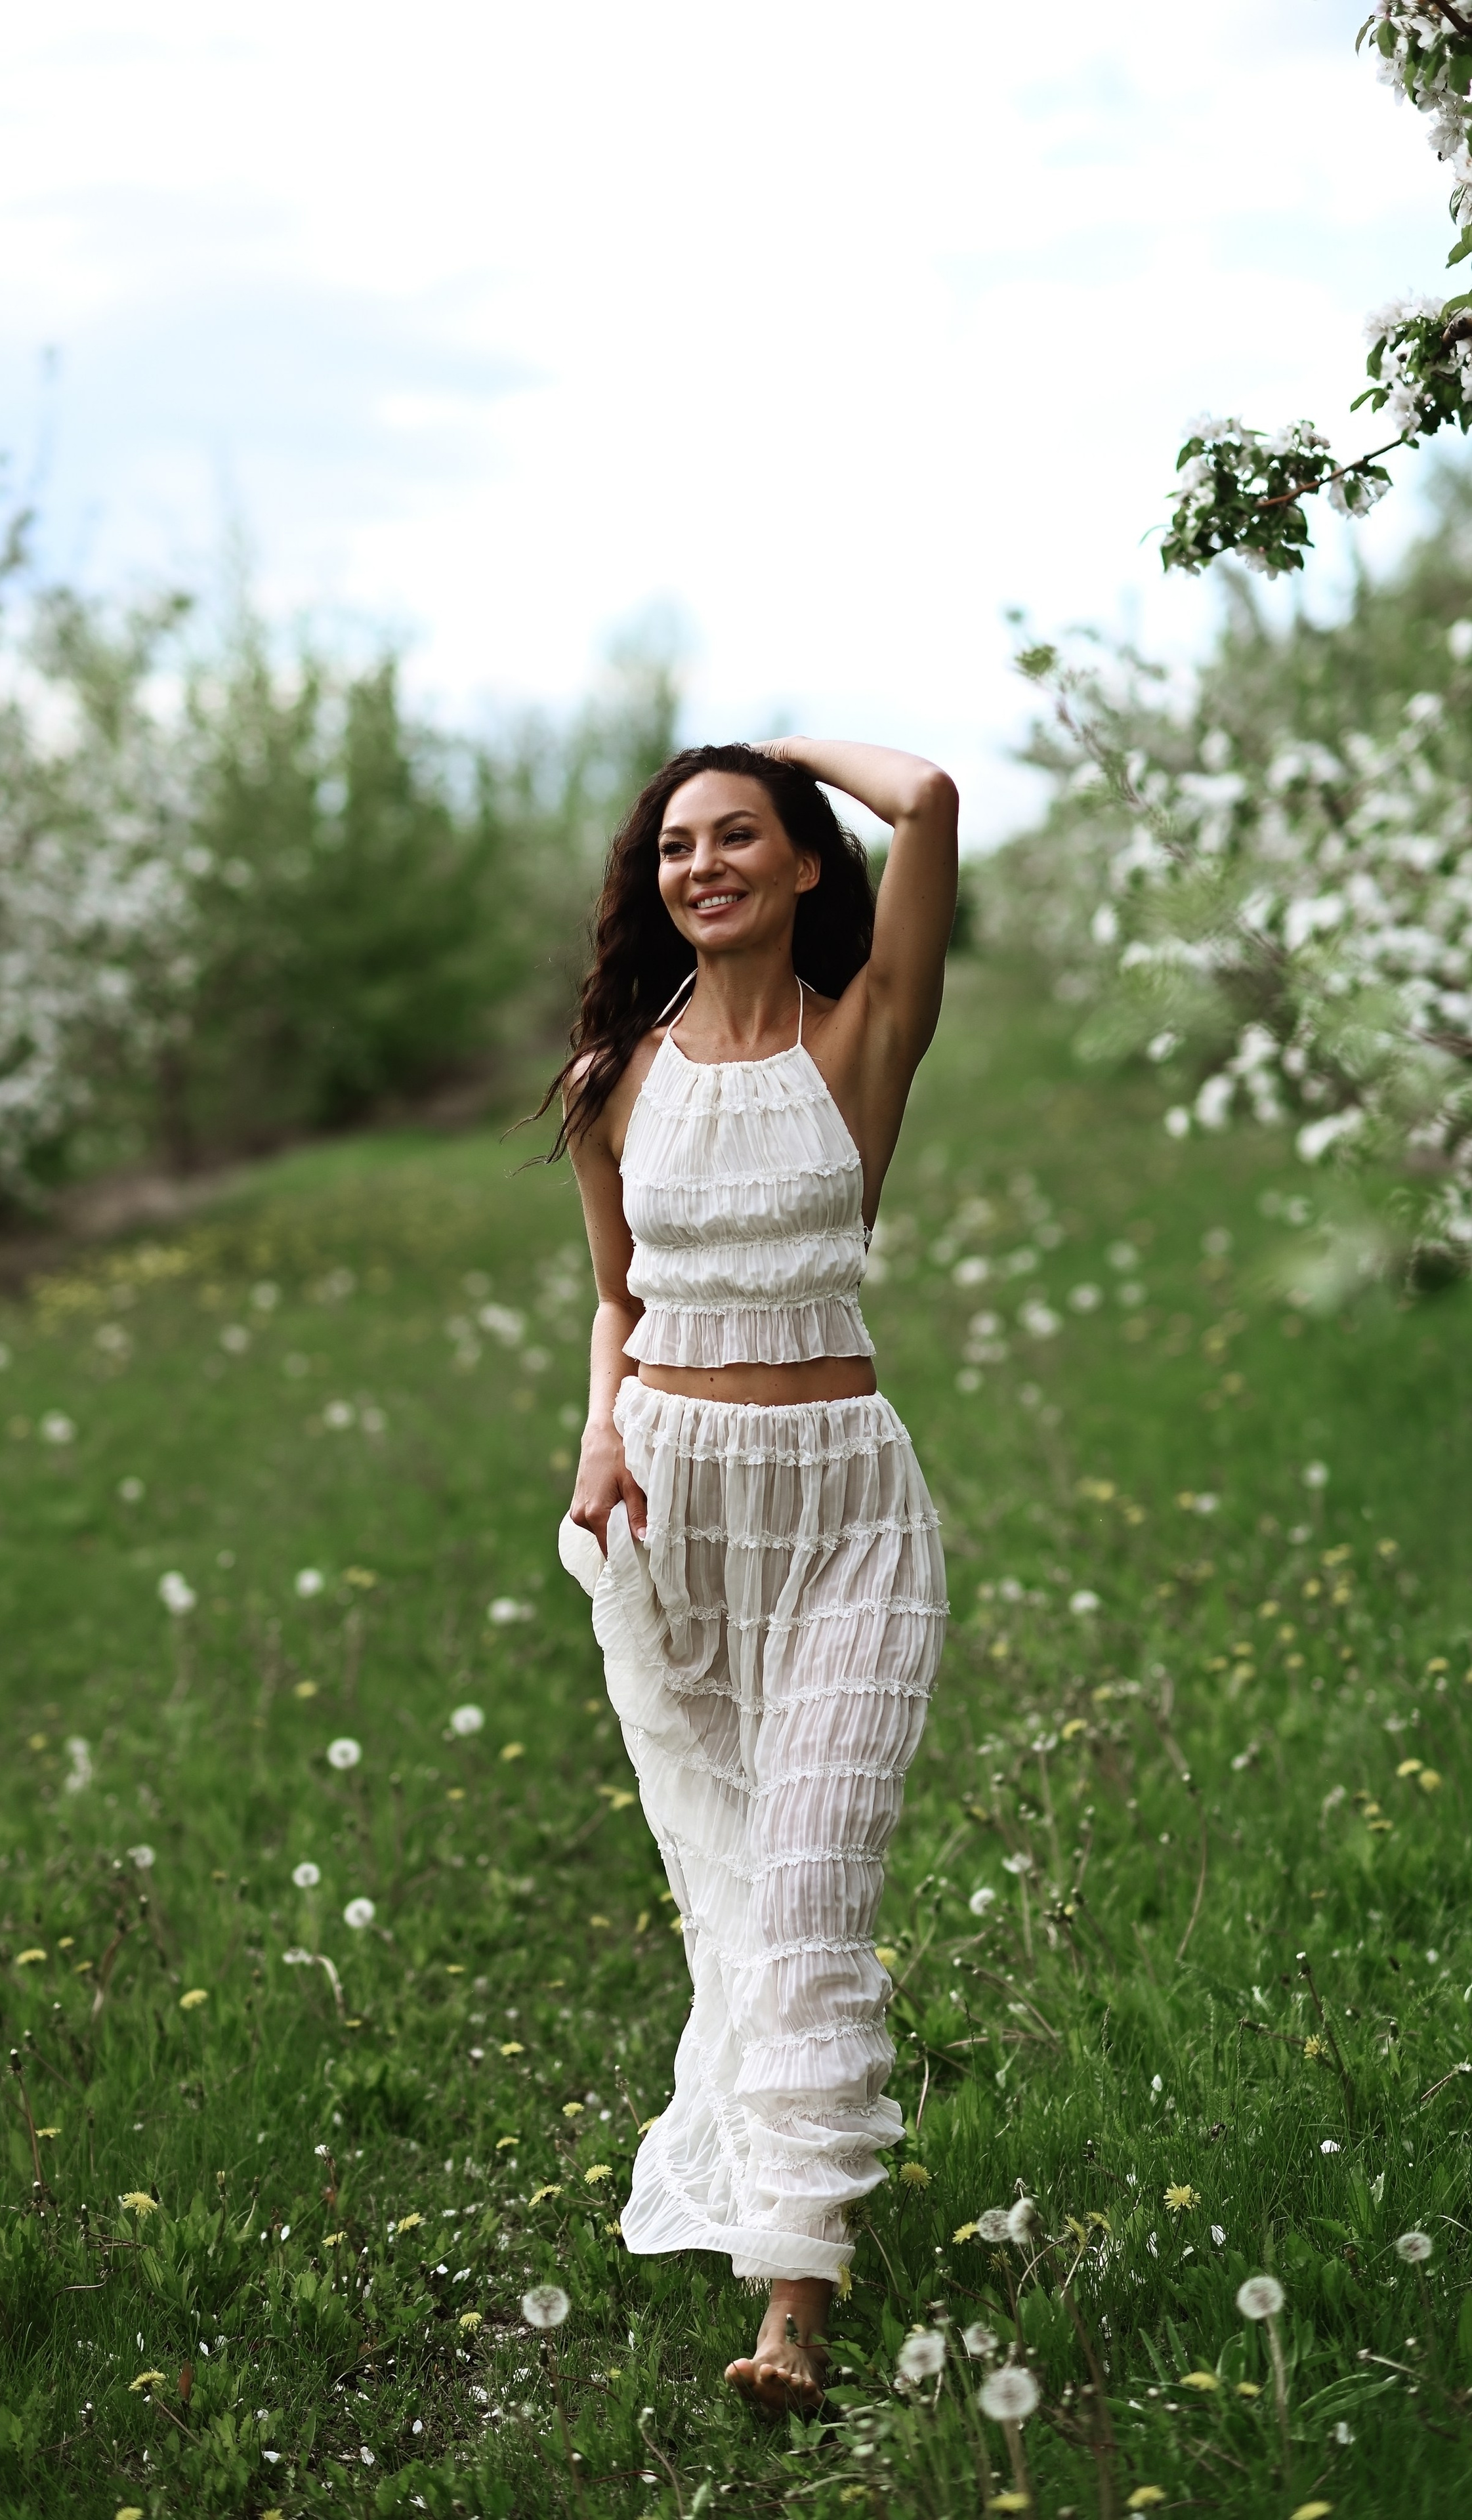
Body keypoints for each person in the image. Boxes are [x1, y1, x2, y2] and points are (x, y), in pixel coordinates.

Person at [544, 738, 958, 2413]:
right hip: (679, 1513)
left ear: (800, 864)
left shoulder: (859, 1036)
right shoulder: (607, 1082)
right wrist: (596, 1431)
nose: (698, 865)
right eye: (672, 845)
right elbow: (615, 1296)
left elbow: (922, 799)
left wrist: (779, 744)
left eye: (737, 837)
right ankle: (780, 2187)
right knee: (734, 1889)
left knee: (808, 1893)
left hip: (847, 1511)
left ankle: (792, 2302)